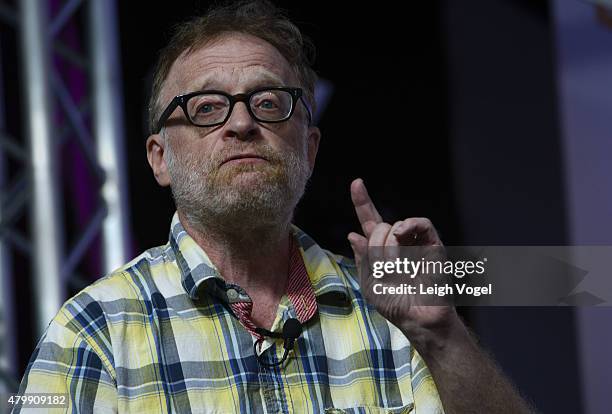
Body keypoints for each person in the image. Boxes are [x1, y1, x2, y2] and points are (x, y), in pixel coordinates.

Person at [15, 1, 533, 413]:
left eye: (267, 102)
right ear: (159, 159)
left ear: (308, 149)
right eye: (206, 108)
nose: (241, 124)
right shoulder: (92, 329)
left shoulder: (392, 315)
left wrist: (442, 338)